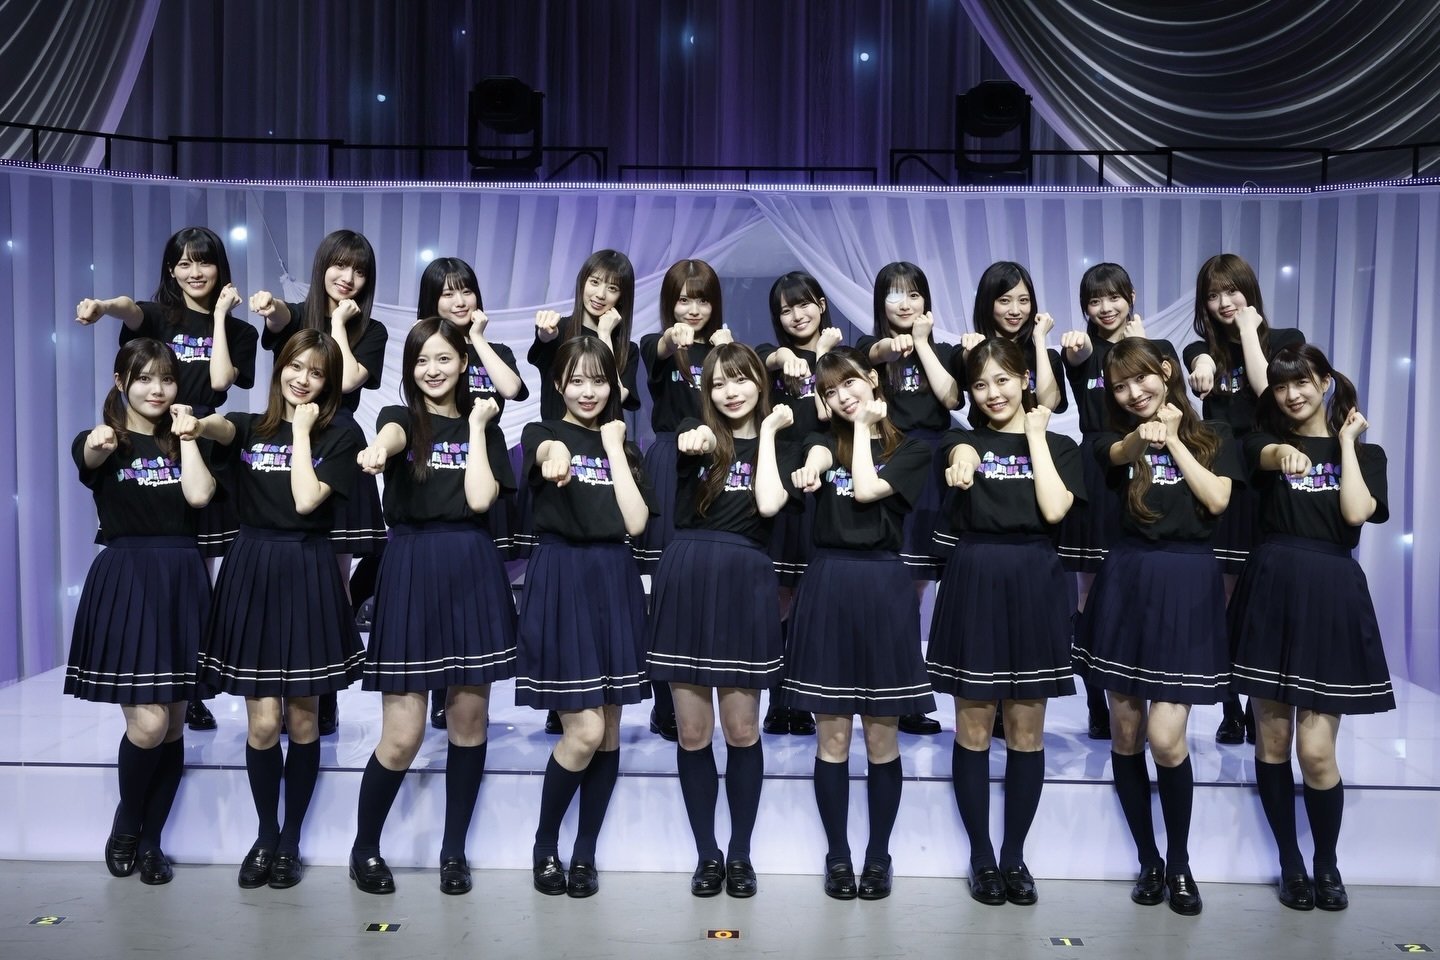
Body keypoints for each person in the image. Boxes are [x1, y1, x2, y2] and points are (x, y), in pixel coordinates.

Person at [347, 317, 518, 896]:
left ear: (464, 363)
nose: (433, 369)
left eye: (444, 358)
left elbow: (480, 499)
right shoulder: (398, 418)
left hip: (471, 568)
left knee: (469, 723)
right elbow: (393, 437)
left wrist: (477, 427)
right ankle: (364, 847)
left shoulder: (485, 423)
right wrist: (378, 449)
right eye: (421, 360)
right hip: (412, 570)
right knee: (403, 734)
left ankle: (453, 851)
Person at [187, 329, 363, 890]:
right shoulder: (249, 426)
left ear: (328, 382)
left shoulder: (342, 434)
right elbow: (221, 427)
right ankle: (266, 834)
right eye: (294, 366)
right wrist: (198, 423)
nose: (302, 379)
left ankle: (291, 839)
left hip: (308, 568)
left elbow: (307, 500)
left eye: (316, 371)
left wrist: (303, 433)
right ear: (279, 368)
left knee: (304, 718)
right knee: (264, 723)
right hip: (253, 568)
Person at [1072, 337, 1242, 917]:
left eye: (1141, 379)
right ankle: (1148, 859)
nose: (1132, 393)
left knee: (1166, 739)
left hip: (1188, 584)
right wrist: (1144, 439)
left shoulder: (1215, 434)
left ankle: (1179, 862)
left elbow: (1217, 500)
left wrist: (1173, 442)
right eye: (1119, 386)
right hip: (1128, 582)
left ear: (1166, 372)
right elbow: (1119, 452)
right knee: (1126, 735)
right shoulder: (1110, 440)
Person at [75, 225, 259, 732]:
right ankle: (171, 683)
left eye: (204, 261)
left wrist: (219, 317)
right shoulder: (160, 316)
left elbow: (219, 381)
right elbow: (130, 309)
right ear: (171, 270)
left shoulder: (241, 332)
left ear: (220, 267)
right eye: (183, 263)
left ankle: (191, 679)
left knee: (200, 564)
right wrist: (102, 306)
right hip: (153, 435)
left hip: (201, 438)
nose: (194, 271)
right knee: (169, 552)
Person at [1229, 344, 1392, 912]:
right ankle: (1290, 862)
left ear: (1325, 382)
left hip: (1331, 593)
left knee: (1316, 751)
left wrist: (1344, 444)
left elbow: (1355, 514)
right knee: (1272, 742)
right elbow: (1267, 455)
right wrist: (1284, 452)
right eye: (1280, 386)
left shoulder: (1368, 455)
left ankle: (1326, 862)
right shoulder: (1261, 443)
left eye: (1302, 382)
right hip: (1272, 587)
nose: (1291, 394)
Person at [926, 338, 1083, 906]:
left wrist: (1035, 435)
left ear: (1024, 381)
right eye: (980, 384)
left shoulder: (1060, 445)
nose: (992, 393)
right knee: (972, 729)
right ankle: (981, 857)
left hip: (1035, 581)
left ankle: (1014, 855)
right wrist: (963, 459)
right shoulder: (960, 440)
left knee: (1025, 732)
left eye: (1002, 380)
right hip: (975, 578)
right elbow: (959, 457)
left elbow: (1054, 510)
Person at [782, 346, 935, 902]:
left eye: (849, 383)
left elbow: (868, 490)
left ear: (873, 379)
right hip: (828, 582)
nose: (842, 396)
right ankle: (838, 856)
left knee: (880, 736)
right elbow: (817, 455)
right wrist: (815, 460)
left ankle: (878, 855)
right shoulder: (822, 441)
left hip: (883, 586)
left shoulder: (911, 449)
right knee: (833, 737)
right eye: (829, 391)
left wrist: (867, 431)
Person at [646, 343, 799, 898]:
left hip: (745, 578)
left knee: (741, 730)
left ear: (761, 383)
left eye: (740, 379)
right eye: (718, 383)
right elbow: (696, 439)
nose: (730, 392)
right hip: (688, 573)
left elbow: (768, 505)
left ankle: (740, 853)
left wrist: (769, 435)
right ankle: (707, 853)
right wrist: (699, 437)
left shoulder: (784, 443)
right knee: (693, 732)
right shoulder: (695, 433)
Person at [67, 339, 216, 884]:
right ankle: (127, 824)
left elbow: (199, 497)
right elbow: (89, 458)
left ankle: (152, 842)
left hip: (182, 578)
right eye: (145, 378)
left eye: (167, 379)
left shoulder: (188, 439)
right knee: (149, 724)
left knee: (173, 723)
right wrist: (99, 442)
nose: (157, 389)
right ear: (120, 381)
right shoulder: (102, 438)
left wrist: (189, 437)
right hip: (128, 579)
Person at [516, 336, 656, 898]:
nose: (588, 391)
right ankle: (544, 843)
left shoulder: (625, 444)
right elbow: (546, 454)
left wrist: (615, 448)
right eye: (576, 380)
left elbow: (636, 523)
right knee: (586, 729)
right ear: (559, 385)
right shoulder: (541, 432)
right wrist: (558, 457)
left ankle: (585, 853)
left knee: (610, 729)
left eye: (598, 380)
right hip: (562, 578)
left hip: (614, 578)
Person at [250, 228, 387, 736]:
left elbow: (347, 380)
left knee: (332, 580)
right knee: (287, 578)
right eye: (340, 265)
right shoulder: (293, 313)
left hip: (337, 446)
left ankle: (321, 693)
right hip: (287, 443)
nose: (348, 277)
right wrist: (271, 309)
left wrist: (339, 325)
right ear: (322, 265)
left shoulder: (370, 329)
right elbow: (280, 321)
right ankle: (277, 683)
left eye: (359, 270)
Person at [1183, 253, 1305, 744]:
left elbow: (1267, 390)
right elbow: (1198, 361)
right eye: (1213, 295)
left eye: (1231, 290)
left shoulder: (1287, 340)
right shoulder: (1200, 348)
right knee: (1226, 598)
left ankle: (1261, 705)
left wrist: (1250, 334)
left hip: (1268, 473)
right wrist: (1203, 360)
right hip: (1223, 477)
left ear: (1249, 290)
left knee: (1264, 598)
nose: (1223, 302)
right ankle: (1231, 708)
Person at [1057, 263, 1181, 739]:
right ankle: (1097, 702)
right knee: (1090, 592)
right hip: (1098, 466)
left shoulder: (1158, 347)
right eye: (1094, 301)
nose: (1105, 308)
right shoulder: (1080, 348)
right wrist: (1078, 347)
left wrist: (1144, 346)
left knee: (1141, 582)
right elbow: (1080, 353)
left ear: (1131, 297)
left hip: (1151, 464)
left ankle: (1145, 688)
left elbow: (1175, 400)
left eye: (1113, 297)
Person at [415, 256, 527, 730]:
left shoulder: (492, 347)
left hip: (486, 466)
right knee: (440, 588)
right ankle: (437, 686)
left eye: (465, 290)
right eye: (447, 293)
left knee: (478, 586)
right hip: (442, 470)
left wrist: (477, 339)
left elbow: (513, 389)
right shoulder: (425, 346)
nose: (459, 301)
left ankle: (466, 690)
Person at [858, 261, 961, 737]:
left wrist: (921, 344)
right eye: (895, 294)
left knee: (933, 587)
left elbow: (952, 400)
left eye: (914, 294)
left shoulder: (945, 351)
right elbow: (874, 352)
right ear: (880, 302)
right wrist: (896, 345)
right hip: (891, 462)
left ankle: (927, 694)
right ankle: (895, 692)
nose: (905, 303)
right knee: (899, 587)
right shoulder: (870, 347)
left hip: (939, 465)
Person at [636, 258, 735, 741]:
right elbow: (657, 348)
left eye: (703, 300)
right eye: (683, 300)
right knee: (664, 589)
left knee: (708, 585)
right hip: (670, 462)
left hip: (717, 464)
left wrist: (727, 351)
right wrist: (672, 338)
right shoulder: (657, 344)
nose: (693, 309)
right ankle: (665, 706)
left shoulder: (725, 349)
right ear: (669, 304)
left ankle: (705, 696)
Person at [754, 271, 844, 737]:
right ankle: (777, 699)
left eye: (804, 304)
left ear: (822, 305)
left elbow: (831, 416)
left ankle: (804, 699)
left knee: (813, 599)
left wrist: (822, 356)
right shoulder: (772, 361)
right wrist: (785, 355)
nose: (797, 315)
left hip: (826, 482)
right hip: (781, 480)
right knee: (778, 599)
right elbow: (762, 359)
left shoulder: (841, 357)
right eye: (786, 310)